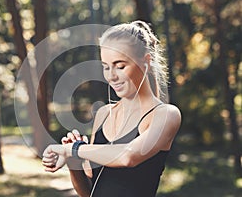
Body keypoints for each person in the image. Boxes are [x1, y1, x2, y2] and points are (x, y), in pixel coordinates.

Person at [42, 20, 181, 197]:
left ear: (146, 61)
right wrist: (72, 160)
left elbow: (128, 156)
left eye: (120, 66)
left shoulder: (166, 115)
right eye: (106, 67)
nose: (111, 76)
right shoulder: (103, 115)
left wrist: (75, 148)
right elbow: (89, 192)